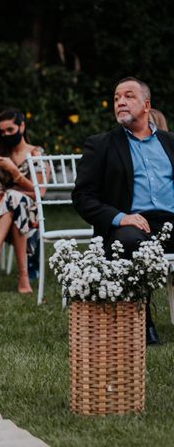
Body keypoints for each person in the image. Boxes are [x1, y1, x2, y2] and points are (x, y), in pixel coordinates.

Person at [73, 77, 174, 345]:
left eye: (129, 96)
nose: (120, 102)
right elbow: (83, 197)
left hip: (171, 222)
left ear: (146, 105)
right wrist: (121, 217)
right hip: (133, 222)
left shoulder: (169, 142)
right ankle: (143, 323)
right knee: (128, 241)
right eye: (117, 97)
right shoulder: (101, 145)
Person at [0, 110, 46, 295]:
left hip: (30, 213)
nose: (6, 135)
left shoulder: (35, 153)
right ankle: (23, 277)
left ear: (21, 127)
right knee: (12, 199)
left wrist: (14, 172)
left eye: (10, 130)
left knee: (15, 199)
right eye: (3, 132)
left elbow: (40, 192)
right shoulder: (1, 153)